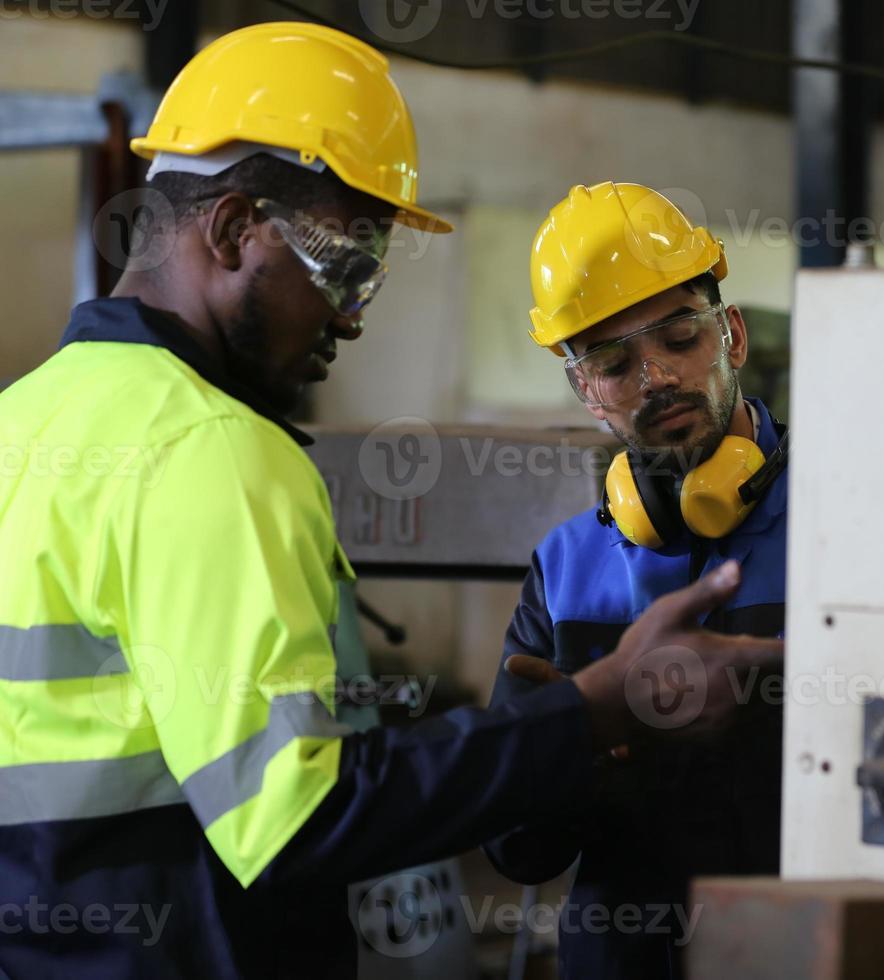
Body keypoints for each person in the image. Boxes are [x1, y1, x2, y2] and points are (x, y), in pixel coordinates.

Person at [0, 26, 779, 979]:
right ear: (237, 226)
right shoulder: (211, 451)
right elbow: (297, 818)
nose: (352, 314)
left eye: (680, 338)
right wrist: (590, 714)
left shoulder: (20, 423)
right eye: (346, 267)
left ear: (730, 335)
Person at [484, 182, 789, 979]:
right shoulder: (565, 571)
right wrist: (578, 744)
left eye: (679, 336)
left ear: (731, 334)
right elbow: (517, 849)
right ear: (586, 392)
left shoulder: (849, 529)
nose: (655, 378)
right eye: (614, 362)